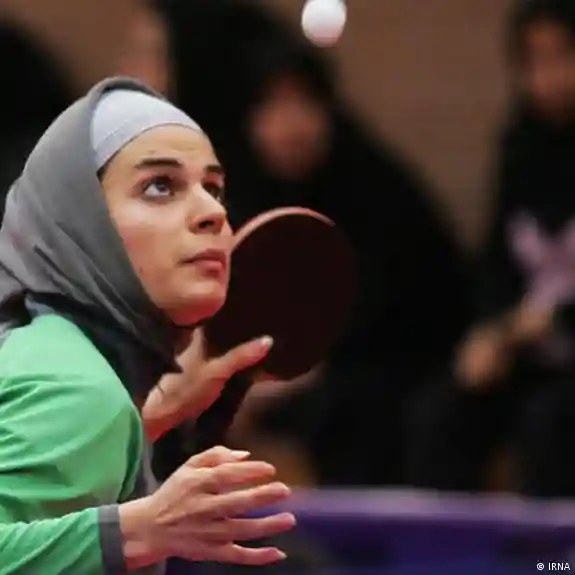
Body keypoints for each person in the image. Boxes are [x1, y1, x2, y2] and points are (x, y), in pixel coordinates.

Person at [139, 0, 470, 487]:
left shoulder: (374, 191)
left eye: (304, 104)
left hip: (382, 369)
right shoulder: (231, 193)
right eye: (271, 107)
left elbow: (382, 321)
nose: (290, 124)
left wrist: (281, 379)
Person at [0, 76, 295, 573]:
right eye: (160, 186)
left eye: (214, 188)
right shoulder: (76, 390)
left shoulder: (47, 351)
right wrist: (138, 532)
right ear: (82, 220)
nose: (212, 212)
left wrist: (148, 418)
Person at [405, 0, 575, 498]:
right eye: (534, 60)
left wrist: (554, 321)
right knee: (441, 412)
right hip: (526, 351)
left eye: (563, 55)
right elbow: (497, 261)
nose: (549, 77)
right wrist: (490, 330)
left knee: (550, 423)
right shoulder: (522, 145)